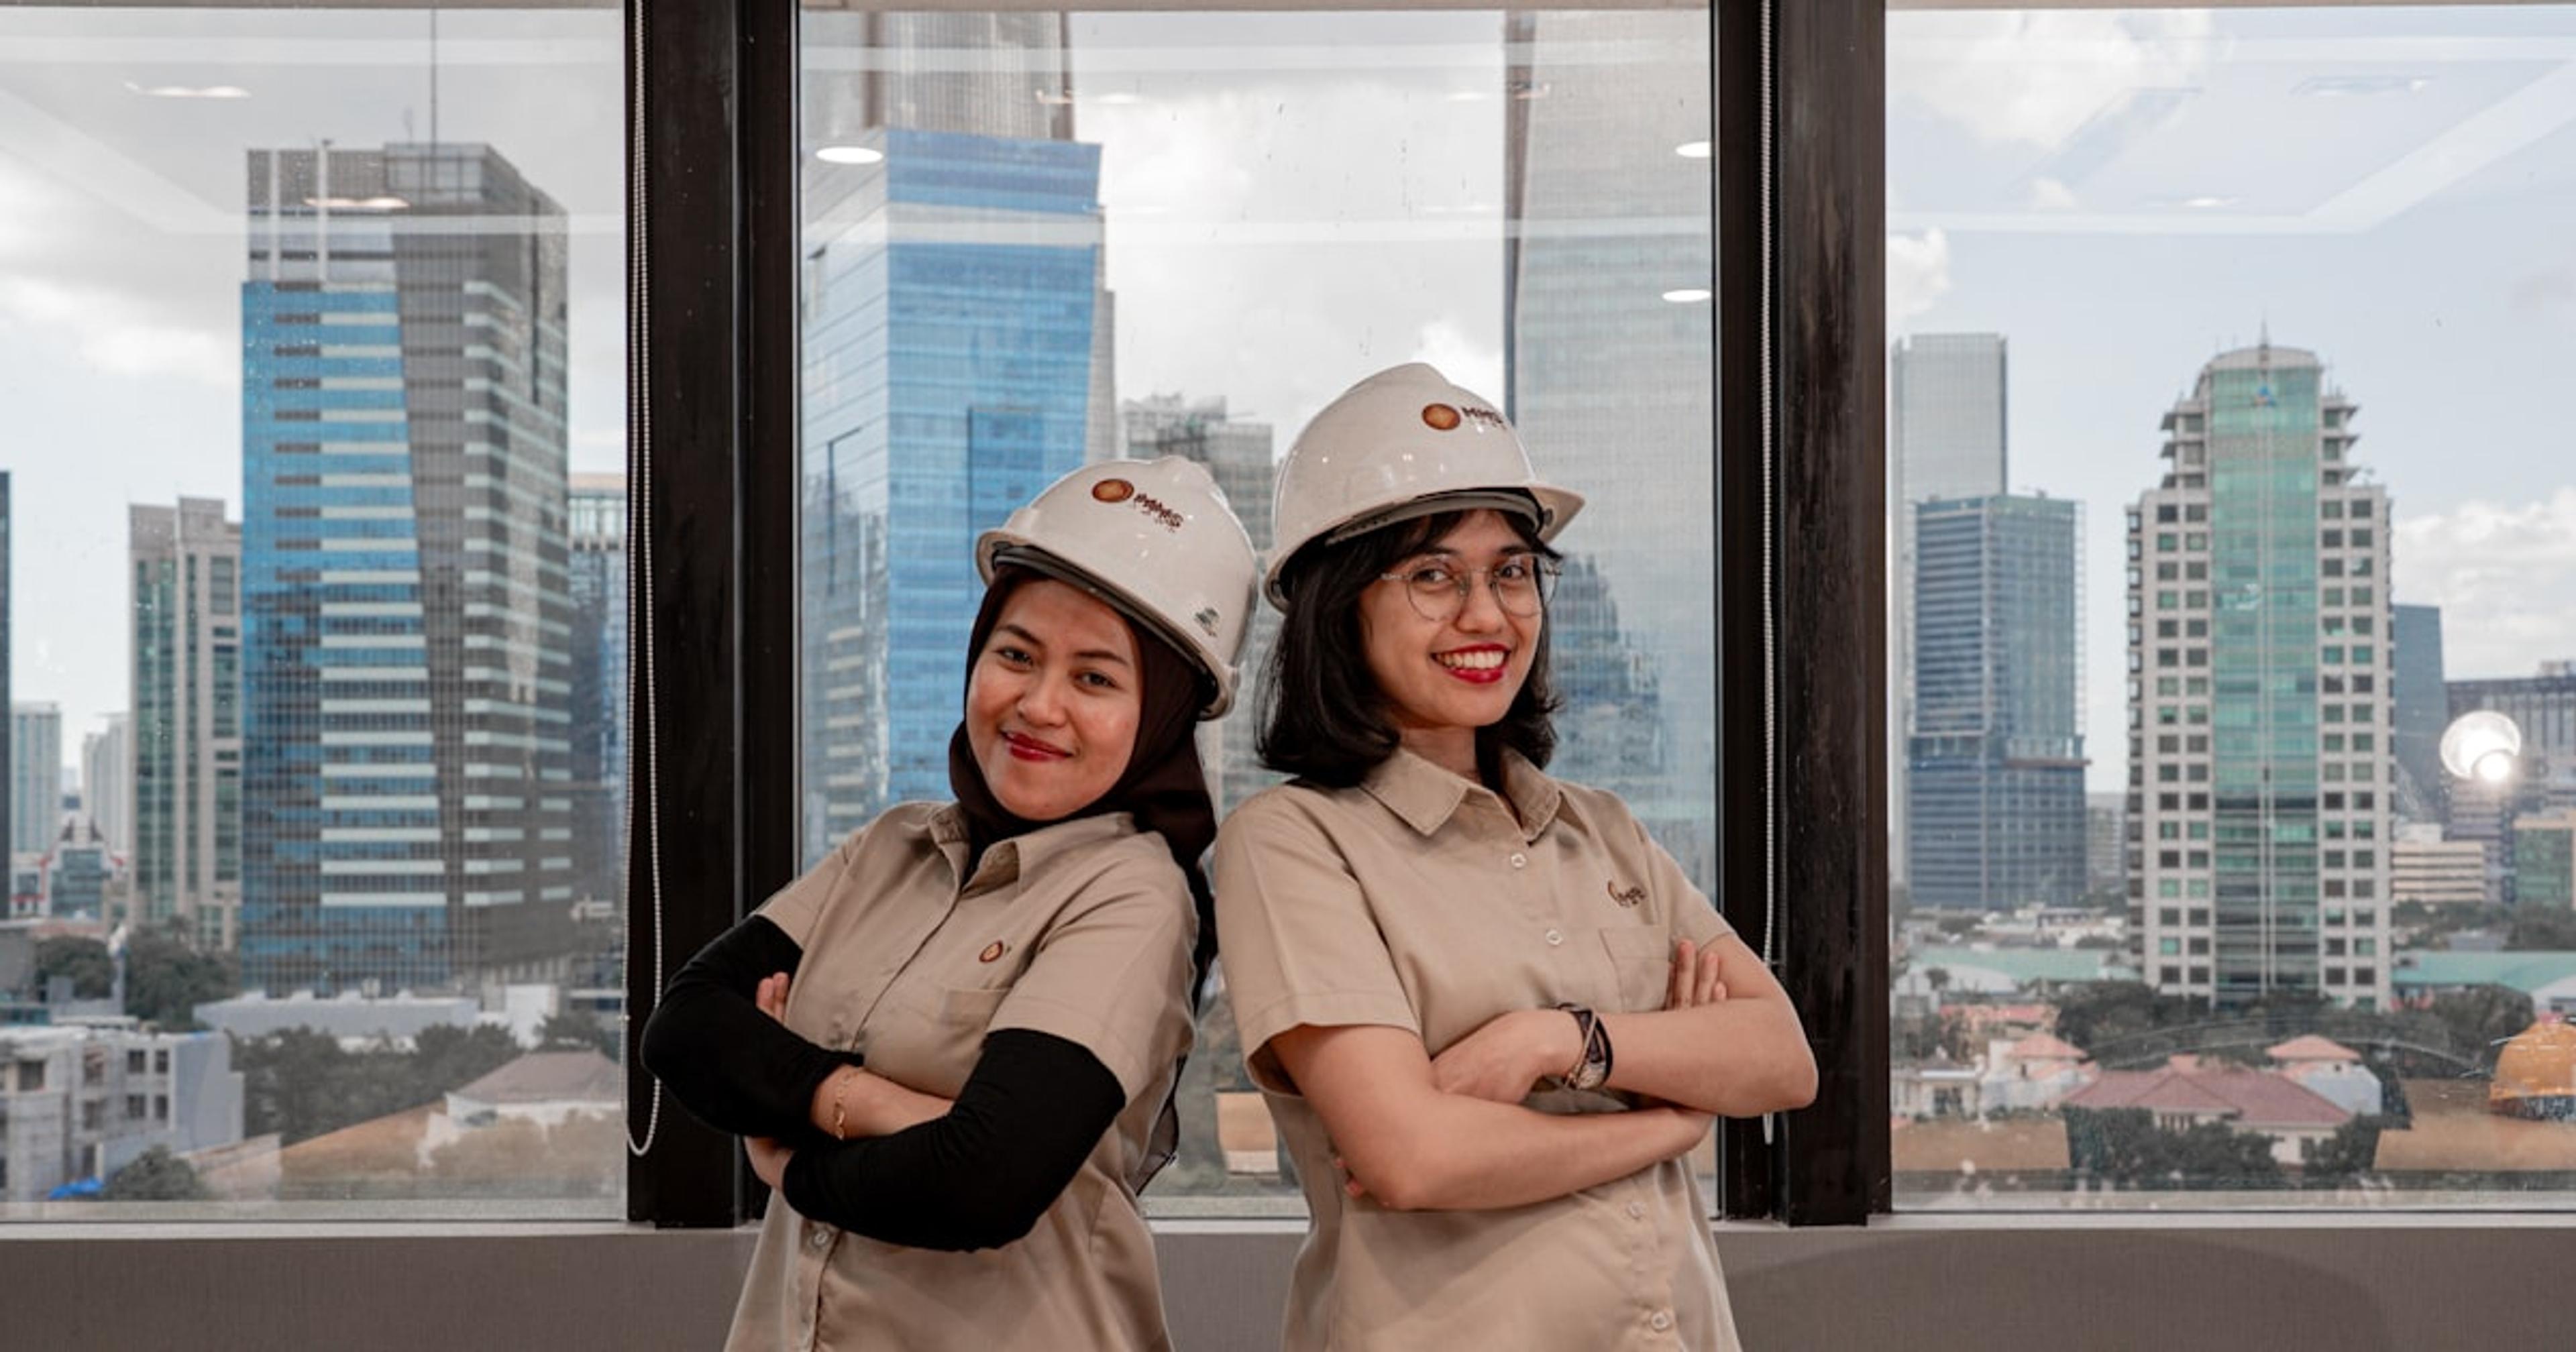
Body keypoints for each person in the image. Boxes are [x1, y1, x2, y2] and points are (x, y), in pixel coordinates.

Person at [1213, 363, 1818, 1351]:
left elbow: (1779, 1059)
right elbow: (1413, 1158)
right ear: (1338, 610)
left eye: (1512, 570)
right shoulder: (1296, 844)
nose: (1489, 616)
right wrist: (1666, 1124)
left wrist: (1559, 1042)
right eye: (1433, 576)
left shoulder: (1602, 827)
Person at [640, 457, 1258, 1352]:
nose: (1038, 705)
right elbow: (687, 1029)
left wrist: (789, 1149)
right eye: (1015, 655)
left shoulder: (1135, 894)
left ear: (1162, 715)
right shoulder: (893, 849)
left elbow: (983, 1180)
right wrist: (856, 1101)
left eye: (1095, 679)